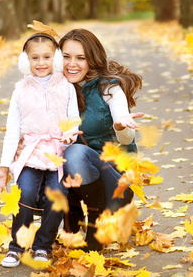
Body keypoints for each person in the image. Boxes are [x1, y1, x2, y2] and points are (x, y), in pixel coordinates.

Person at [0, 32, 80, 268]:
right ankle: (17, 247)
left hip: (58, 152)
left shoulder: (66, 87)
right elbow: (12, 131)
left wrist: (69, 133)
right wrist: (3, 169)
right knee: (25, 194)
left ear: (55, 58)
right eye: (34, 58)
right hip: (31, 152)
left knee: (57, 196)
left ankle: (42, 246)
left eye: (46, 57)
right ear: (25, 61)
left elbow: (74, 118)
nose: (41, 63)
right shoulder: (20, 90)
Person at [59, 28, 143, 251]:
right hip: (76, 178)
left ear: (92, 59)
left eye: (80, 58)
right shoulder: (55, 89)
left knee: (75, 152)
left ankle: (97, 219)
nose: (72, 64)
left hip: (114, 181)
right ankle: (73, 210)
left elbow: (126, 139)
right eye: (66, 56)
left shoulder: (109, 87)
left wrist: (120, 125)